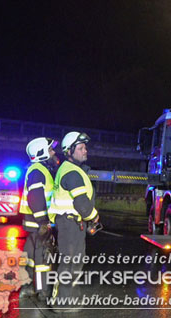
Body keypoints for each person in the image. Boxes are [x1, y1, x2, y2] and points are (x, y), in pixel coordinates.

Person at [48, 132, 98, 312]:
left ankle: (71, 298)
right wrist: (93, 215)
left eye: (85, 147)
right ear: (69, 151)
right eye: (81, 148)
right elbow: (81, 203)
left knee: (74, 262)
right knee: (70, 263)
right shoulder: (71, 172)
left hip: (71, 223)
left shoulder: (71, 169)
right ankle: (62, 302)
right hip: (69, 224)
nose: (86, 151)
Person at [20, 137, 60, 300]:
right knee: (43, 258)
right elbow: (35, 197)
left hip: (32, 224)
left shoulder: (37, 170)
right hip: (39, 224)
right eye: (50, 150)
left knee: (30, 256)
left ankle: (27, 287)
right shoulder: (39, 171)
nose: (54, 152)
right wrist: (44, 222)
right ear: (42, 153)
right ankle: (43, 292)